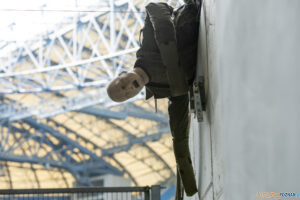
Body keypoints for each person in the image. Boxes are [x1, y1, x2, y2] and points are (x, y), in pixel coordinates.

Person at [107, 0, 200, 198]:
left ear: (123, 72)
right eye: (125, 95)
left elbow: (155, 8)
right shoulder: (164, 90)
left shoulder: (147, 48)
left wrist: (167, 45)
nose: (127, 90)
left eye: (121, 84)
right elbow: (179, 136)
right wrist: (188, 188)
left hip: (194, 15)